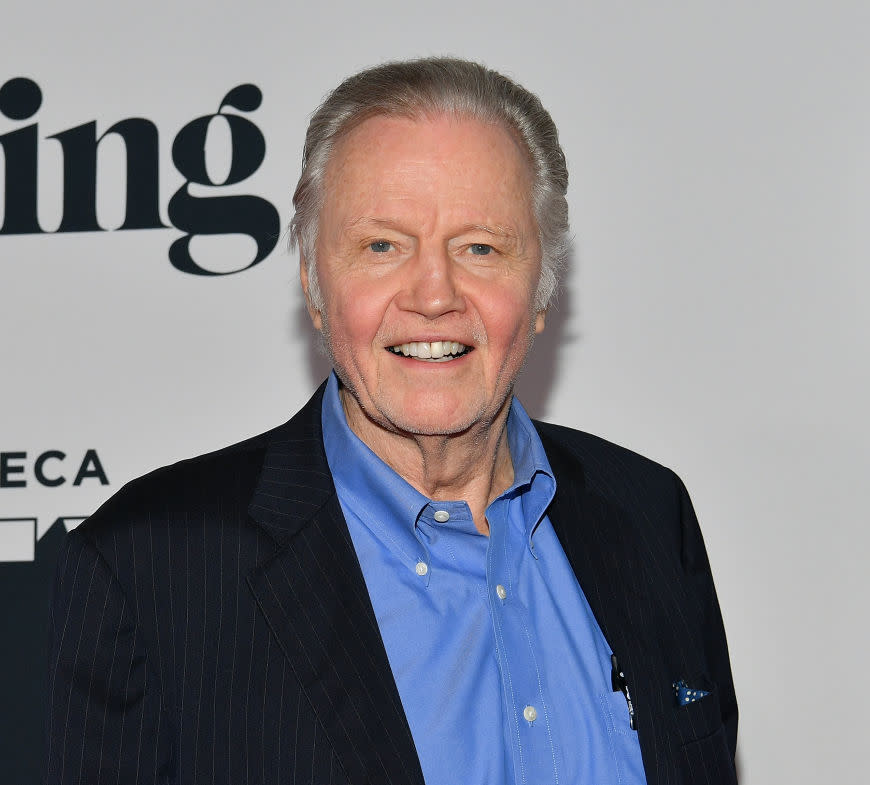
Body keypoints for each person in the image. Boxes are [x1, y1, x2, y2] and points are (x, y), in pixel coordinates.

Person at [46, 57, 737, 785]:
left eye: (480, 247)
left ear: (541, 288)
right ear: (314, 284)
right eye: (382, 245)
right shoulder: (154, 570)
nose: (434, 294)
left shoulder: (650, 515)